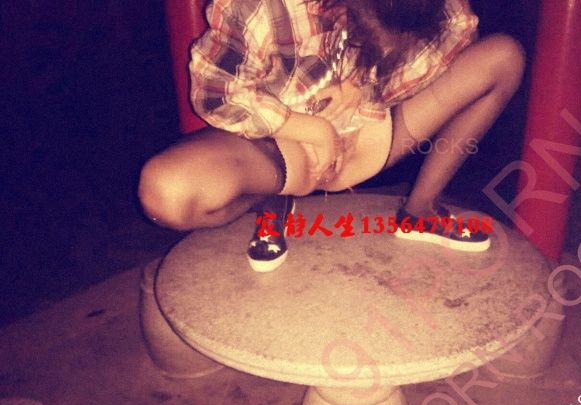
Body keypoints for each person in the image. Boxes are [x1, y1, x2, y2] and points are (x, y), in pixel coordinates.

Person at [138, 0, 525, 272]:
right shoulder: (264, 5)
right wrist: (314, 130)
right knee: (166, 193)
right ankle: (272, 197)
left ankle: (420, 211)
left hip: (373, 133)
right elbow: (216, 91)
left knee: (504, 58)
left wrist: (366, 88)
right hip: (278, 143)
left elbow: (459, 30)